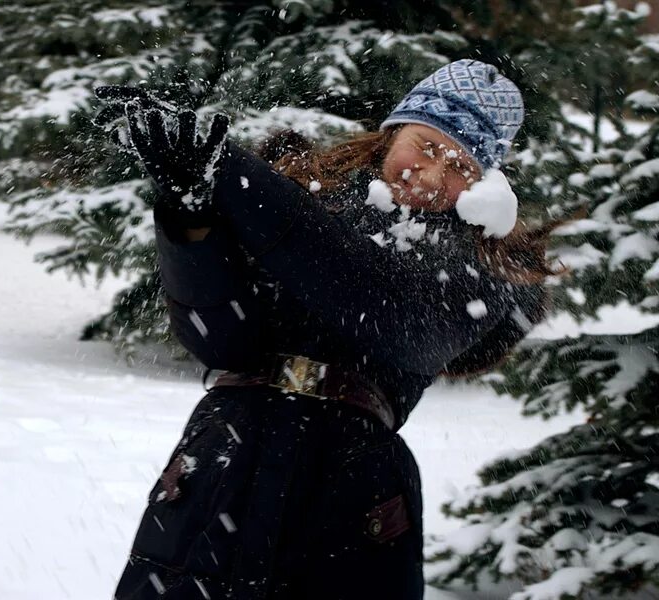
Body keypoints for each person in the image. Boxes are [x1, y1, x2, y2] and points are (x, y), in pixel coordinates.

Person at [95, 59, 561, 599]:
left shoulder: (483, 268)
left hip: (350, 491)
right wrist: (190, 213)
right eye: (426, 146)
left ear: (486, 186)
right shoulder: (301, 192)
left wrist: (227, 171)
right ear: (392, 133)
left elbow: (370, 295)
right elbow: (220, 342)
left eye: (461, 167)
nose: (432, 176)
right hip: (221, 460)